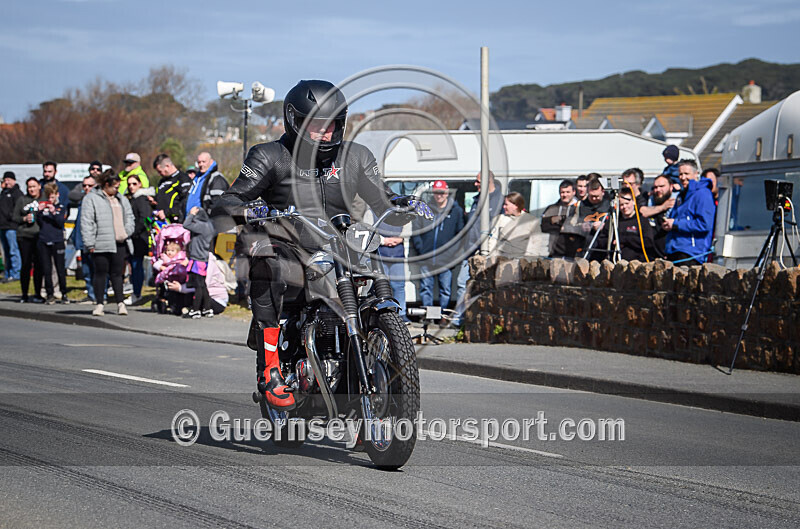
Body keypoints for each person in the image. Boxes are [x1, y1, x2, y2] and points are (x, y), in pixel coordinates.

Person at [215, 79, 432, 411]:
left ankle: (368, 374)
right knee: (265, 255)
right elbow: (228, 200)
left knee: (370, 279)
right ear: (294, 120)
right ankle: (271, 367)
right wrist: (249, 209)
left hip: (339, 246)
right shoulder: (269, 155)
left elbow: (381, 199)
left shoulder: (356, 156)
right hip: (287, 245)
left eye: (332, 126)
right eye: (316, 126)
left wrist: (402, 205)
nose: (325, 134)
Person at [452, 170, 503, 326]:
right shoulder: (476, 200)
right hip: (469, 250)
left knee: (485, 286)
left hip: (487, 251)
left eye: (478, 181)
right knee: (462, 283)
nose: (475, 184)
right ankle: (459, 318)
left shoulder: (499, 201)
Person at [80, 169, 135, 316]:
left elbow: (130, 217)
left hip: (120, 242)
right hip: (101, 243)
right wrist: (90, 243)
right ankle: (99, 303)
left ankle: (120, 303)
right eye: (115, 186)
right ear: (106, 184)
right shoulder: (91, 199)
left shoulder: (121, 199)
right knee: (100, 274)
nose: (117, 189)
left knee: (118, 275)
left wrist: (126, 231)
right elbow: (87, 222)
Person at [411, 180, 464, 311]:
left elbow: (460, 235)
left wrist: (453, 253)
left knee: (445, 289)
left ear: (447, 193)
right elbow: (416, 231)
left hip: (446, 259)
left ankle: (442, 316)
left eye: (442, 192)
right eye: (436, 193)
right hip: (427, 257)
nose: (439, 195)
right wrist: (421, 250)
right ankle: (429, 316)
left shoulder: (456, 211)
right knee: (425, 288)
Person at [662, 159, 716, 265]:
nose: (683, 177)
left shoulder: (703, 194)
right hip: (674, 251)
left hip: (692, 254)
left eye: (686, 174)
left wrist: (676, 224)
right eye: (680, 174)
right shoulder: (681, 196)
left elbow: (705, 224)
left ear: (696, 174)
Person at [588, 186, 656, 262]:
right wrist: (613, 242)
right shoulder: (614, 220)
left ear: (633, 201)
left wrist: (624, 240)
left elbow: (648, 242)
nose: (624, 207)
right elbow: (601, 240)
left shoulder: (642, 221)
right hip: (615, 262)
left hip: (637, 262)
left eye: (627, 203)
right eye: (621, 204)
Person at [14, 178, 44, 303]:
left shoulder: (43, 200)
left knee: (39, 266)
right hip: (24, 236)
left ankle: (38, 294)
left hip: (39, 236)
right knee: (26, 265)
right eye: (29, 187)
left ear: (39, 187)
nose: (31, 189)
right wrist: (24, 218)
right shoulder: (22, 200)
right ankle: (24, 294)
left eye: (34, 186)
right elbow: (14, 217)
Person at [38, 182, 69, 304]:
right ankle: (49, 294)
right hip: (44, 240)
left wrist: (53, 211)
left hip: (57, 240)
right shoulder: (43, 206)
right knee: (47, 269)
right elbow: (38, 222)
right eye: (48, 197)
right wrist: (39, 212)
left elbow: (60, 221)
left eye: (52, 197)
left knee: (60, 268)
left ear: (57, 195)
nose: (50, 200)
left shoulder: (61, 206)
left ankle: (64, 292)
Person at [125, 174, 154, 305]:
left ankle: (137, 293)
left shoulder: (141, 199)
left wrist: (133, 231)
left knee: (137, 266)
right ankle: (134, 291)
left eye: (134, 184)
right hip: (132, 237)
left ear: (140, 184)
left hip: (139, 238)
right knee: (132, 266)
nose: (131, 187)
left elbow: (144, 218)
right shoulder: (131, 199)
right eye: (129, 184)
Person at [182, 206, 216, 318]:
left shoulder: (201, 226)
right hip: (203, 259)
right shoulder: (209, 226)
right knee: (203, 285)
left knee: (198, 285)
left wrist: (191, 214)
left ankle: (196, 309)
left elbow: (186, 225)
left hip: (198, 259)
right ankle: (207, 308)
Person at [71, 173, 98, 304]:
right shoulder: (83, 201)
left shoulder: (98, 201)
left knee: (97, 270)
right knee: (86, 270)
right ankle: (91, 294)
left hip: (94, 242)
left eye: (90, 185)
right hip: (82, 241)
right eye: (84, 186)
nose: (87, 188)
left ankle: (99, 296)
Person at [492, 192, 546, 258]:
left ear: (515, 206)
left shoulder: (531, 221)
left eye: (506, 205)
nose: (504, 207)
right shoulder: (499, 219)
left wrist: (527, 261)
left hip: (521, 260)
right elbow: (492, 240)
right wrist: (493, 258)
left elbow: (536, 243)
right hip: (501, 259)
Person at [642, 174, 676, 259]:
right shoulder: (651, 200)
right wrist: (663, 207)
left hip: (671, 252)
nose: (658, 190)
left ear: (671, 187)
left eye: (662, 186)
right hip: (652, 253)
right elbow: (642, 212)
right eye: (655, 187)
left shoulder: (677, 201)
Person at [542, 179, 578, 256]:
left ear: (574, 192)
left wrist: (556, 222)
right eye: (562, 192)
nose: (565, 195)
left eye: (568, 192)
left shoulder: (579, 208)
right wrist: (560, 227)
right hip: (554, 252)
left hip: (573, 253)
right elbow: (543, 226)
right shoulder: (552, 209)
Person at [186, 152, 228, 216]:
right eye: (199, 162)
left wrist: (206, 217)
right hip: (190, 220)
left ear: (211, 162)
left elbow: (217, 203)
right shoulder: (197, 178)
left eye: (203, 161)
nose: (201, 164)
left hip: (203, 221)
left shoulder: (216, 178)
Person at [153, 154, 192, 223]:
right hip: (161, 221)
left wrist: (167, 212)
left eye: (160, 171)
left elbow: (185, 202)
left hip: (177, 221)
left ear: (167, 166)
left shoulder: (183, 179)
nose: (160, 174)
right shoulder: (162, 181)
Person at [0, 171, 23, 282]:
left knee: (14, 251)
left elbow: (18, 210)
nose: (7, 182)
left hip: (12, 227)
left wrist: (11, 217)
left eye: (9, 179)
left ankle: (16, 274)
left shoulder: (17, 193)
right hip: (3, 226)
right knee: (6, 252)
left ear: (14, 180)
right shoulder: (3, 193)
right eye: (5, 180)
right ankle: (8, 273)